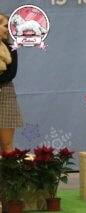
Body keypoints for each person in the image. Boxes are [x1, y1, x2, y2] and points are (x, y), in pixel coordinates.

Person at [0, 12, 23, 153]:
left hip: (6, 96)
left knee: (7, 144)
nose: (8, 29)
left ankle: (9, 175)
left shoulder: (11, 48)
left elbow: (10, 74)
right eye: (4, 26)